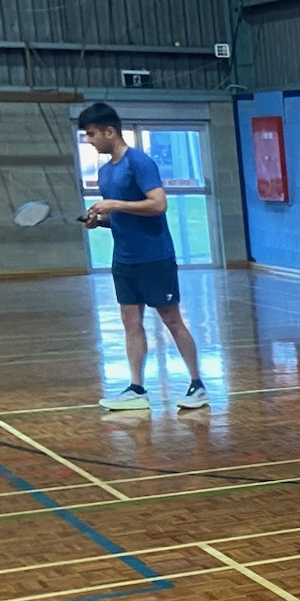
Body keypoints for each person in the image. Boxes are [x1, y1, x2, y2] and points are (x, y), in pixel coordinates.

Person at [78, 103, 208, 412]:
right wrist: (100, 221)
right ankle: (136, 389)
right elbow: (121, 217)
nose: (90, 141)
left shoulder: (139, 163)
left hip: (154, 257)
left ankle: (197, 385)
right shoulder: (105, 171)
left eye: (93, 134)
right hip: (124, 259)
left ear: (110, 131)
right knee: (130, 320)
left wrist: (114, 205)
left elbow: (158, 205)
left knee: (171, 319)